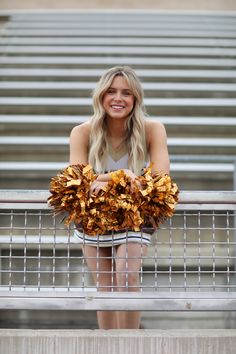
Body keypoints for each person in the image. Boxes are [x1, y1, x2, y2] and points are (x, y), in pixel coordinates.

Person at [69, 66, 169, 329]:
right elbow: (76, 183)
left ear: (135, 99)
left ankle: (130, 343)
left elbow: (160, 178)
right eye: (111, 91)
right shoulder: (82, 132)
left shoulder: (152, 129)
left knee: (126, 275)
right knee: (104, 283)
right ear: (101, 96)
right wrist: (123, 175)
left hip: (134, 214)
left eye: (126, 93)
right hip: (93, 216)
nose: (118, 98)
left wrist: (101, 179)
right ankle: (108, 344)